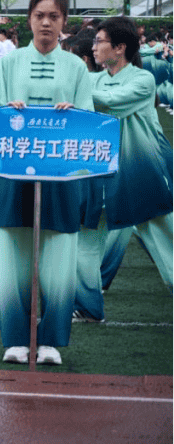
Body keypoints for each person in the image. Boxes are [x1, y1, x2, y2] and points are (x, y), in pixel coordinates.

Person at [0, 0, 93, 367]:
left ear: (64, 21)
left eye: (54, 16)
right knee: (12, 263)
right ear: (29, 20)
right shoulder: (10, 63)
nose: (46, 23)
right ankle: (16, 339)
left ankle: (50, 341)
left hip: (61, 177)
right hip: (13, 175)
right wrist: (7, 110)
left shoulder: (77, 67)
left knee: (59, 262)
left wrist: (73, 113)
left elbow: (88, 120)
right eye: (39, 15)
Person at [75, 16, 174, 321]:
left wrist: (73, 93)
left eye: (99, 41)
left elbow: (110, 103)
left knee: (164, 242)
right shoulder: (95, 79)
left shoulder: (142, 80)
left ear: (119, 48)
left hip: (143, 171)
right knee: (87, 237)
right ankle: (88, 307)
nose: (93, 47)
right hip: (102, 173)